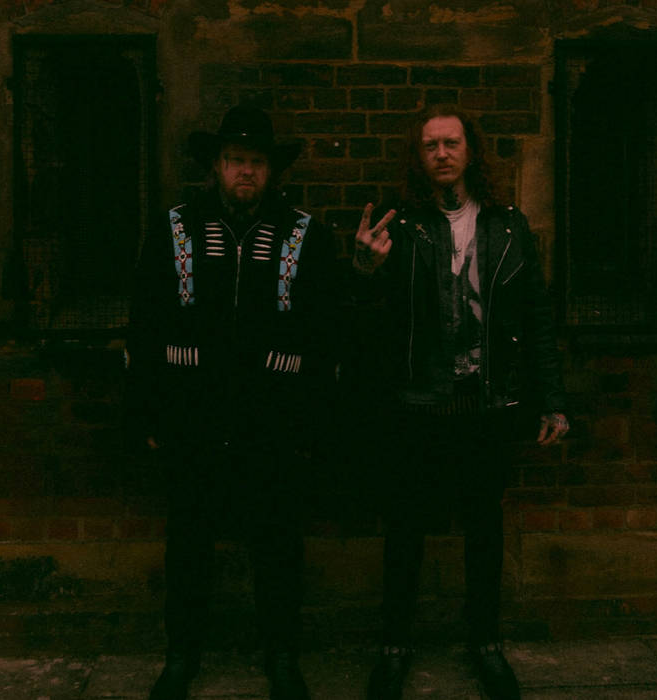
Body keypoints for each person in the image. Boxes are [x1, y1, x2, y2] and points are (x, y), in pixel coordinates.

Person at [351, 104, 569, 700]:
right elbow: (366, 325)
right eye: (430, 145)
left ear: (471, 150)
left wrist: (552, 400)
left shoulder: (508, 225)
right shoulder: (398, 223)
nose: (442, 153)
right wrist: (366, 270)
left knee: (483, 530)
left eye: (451, 142)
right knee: (404, 529)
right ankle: (394, 645)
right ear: (418, 156)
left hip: (487, 407)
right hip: (416, 404)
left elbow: (536, 317)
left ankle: (486, 643)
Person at [126, 105, 336, 700]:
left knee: (278, 539)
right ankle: (181, 654)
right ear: (216, 166)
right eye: (236, 160)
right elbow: (145, 322)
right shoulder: (174, 228)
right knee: (188, 539)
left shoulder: (305, 234)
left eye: (257, 162)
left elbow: (325, 333)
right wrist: (147, 409)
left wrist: (312, 420)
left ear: (272, 170)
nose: (246, 171)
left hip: (274, 419)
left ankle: (282, 655)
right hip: (192, 414)